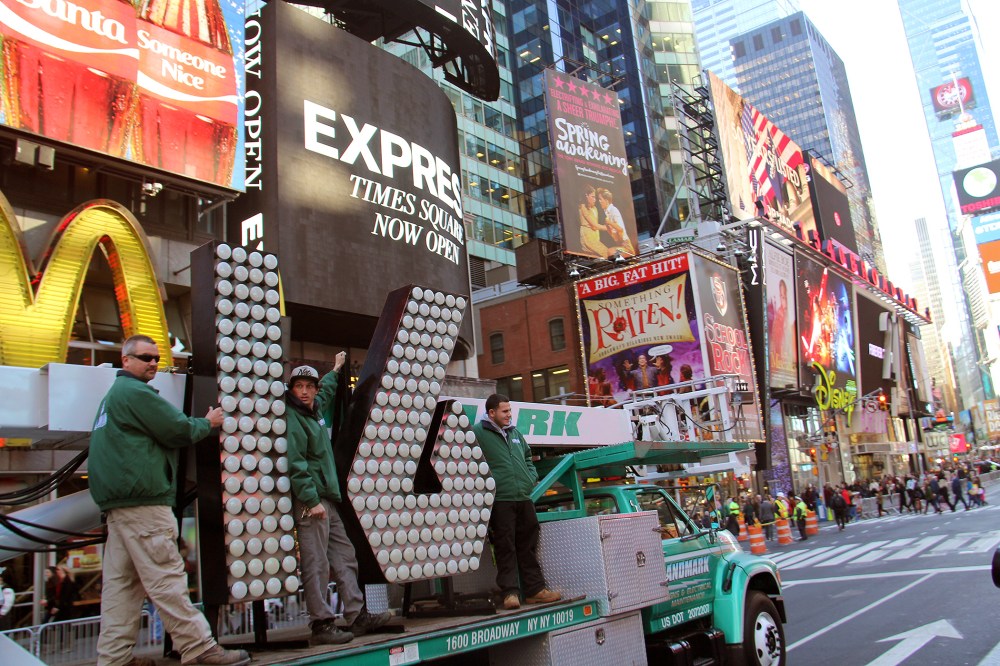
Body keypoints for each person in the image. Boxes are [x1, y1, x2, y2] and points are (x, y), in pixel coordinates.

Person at [89, 334, 250, 666]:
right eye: (145, 357)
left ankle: (114, 659)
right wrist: (208, 423)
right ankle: (199, 647)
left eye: (156, 358)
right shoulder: (136, 393)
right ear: (126, 361)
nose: (152, 363)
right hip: (145, 504)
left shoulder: (112, 397)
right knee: (167, 578)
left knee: (121, 588)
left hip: (119, 509)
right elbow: (177, 428)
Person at [285, 358, 391, 644]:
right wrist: (310, 499)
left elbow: (328, 391)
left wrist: (335, 370)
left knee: (345, 556)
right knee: (316, 563)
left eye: (309, 386)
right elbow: (295, 464)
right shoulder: (292, 419)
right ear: (291, 390)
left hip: (327, 500)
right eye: (299, 387)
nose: (305, 391)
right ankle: (321, 623)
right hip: (312, 502)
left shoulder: (315, 408)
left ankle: (356, 616)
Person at [473, 394, 561, 610]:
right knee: (505, 546)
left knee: (528, 545)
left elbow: (529, 459)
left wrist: (530, 479)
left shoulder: (515, 434)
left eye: (509, 411)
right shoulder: (478, 433)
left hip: (523, 497)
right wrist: (489, 486)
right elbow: (471, 462)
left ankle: (535, 591)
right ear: (491, 413)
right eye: (505, 411)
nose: (509, 415)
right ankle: (510, 593)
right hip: (500, 499)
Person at [596, 188, 636, 255]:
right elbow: (613, 233)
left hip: (626, 246)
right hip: (620, 245)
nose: (599, 201)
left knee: (610, 252)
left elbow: (620, 229)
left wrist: (609, 223)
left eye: (600, 199)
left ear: (606, 200)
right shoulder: (607, 213)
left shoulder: (614, 210)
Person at [578, 186, 611, 258]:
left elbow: (595, 226)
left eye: (595, 197)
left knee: (600, 257)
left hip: (595, 236)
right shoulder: (583, 207)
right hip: (587, 237)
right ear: (586, 196)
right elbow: (594, 225)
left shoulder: (594, 208)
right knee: (606, 252)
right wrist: (608, 228)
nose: (595, 199)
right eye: (592, 197)